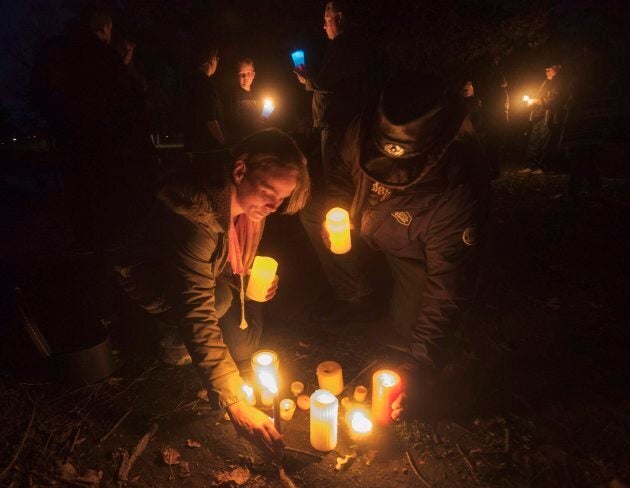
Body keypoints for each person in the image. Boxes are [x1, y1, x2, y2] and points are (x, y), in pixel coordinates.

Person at [300, 73, 491, 419]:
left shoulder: (458, 186)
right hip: (368, 226)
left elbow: (448, 287)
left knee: (405, 337)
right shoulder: (362, 129)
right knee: (314, 214)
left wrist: (420, 369)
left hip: (414, 255)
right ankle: (358, 297)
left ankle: (394, 290)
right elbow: (343, 171)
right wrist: (339, 207)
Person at [116, 129, 310, 453]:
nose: (274, 206)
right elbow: (195, 308)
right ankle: (165, 339)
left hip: (210, 278)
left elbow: (225, 260)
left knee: (245, 346)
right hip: (153, 284)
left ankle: (235, 303)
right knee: (218, 302)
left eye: (282, 198)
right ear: (239, 171)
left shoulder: (248, 209)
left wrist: (249, 283)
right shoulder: (195, 222)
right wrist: (235, 402)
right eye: (268, 192)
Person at [31, 3, 152, 252]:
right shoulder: (106, 58)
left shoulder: (58, 51)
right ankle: (104, 259)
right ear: (105, 27)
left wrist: (57, 123)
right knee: (105, 207)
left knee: (80, 202)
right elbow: (129, 107)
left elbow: (41, 91)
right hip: (106, 149)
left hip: (71, 143)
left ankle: (85, 250)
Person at [294, 0, 368, 184]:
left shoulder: (343, 44)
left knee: (337, 179)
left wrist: (307, 80)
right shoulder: (344, 45)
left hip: (337, 127)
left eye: (327, 18)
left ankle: (344, 212)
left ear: (340, 17)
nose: (324, 25)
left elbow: (328, 81)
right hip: (339, 125)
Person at [559, 48, 615, 202]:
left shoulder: (585, 90)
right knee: (589, 162)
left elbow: (579, 113)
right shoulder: (596, 87)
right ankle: (591, 191)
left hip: (584, 131)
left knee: (581, 162)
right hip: (589, 131)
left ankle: (576, 192)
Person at [521, 64, 565, 174]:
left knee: (545, 142)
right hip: (539, 115)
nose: (547, 71)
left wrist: (537, 101)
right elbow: (540, 97)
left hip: (548, 116)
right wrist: (531, 102)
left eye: (549, 69)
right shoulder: (545, 82)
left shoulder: (558, 83)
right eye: (546, 69)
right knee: (534, 140)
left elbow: (555, 100)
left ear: (556, 71)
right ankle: (531, 165)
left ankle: (543, 167)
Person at [184, 44, 225, 151]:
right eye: (217, 59)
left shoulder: (189, 82)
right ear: (213, 59)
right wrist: (223, 143)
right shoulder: (206, 84)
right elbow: (210, 120)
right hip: (207, 147)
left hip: (192, 144)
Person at [226, 57, 264, 144]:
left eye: (248, 73)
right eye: (241, 74)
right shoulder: (233, 96)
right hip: (241, 140)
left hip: (257, 138)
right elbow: (233, 121)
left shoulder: (258, 94)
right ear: (237, 75)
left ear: (253, 75)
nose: (245, 77)